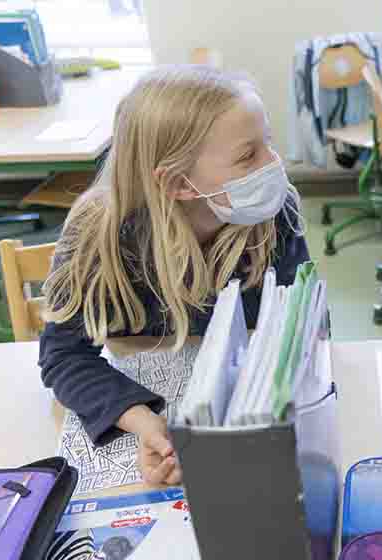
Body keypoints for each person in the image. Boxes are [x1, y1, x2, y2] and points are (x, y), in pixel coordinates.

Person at [39, 66, 309, 485]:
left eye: (267, 143)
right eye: (247, 156)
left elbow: (301, 330)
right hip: (158, 407)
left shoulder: (274, 214)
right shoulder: (99, 236)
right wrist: (144, 421)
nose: (274, 164)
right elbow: (63, 356)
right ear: (180, 184)